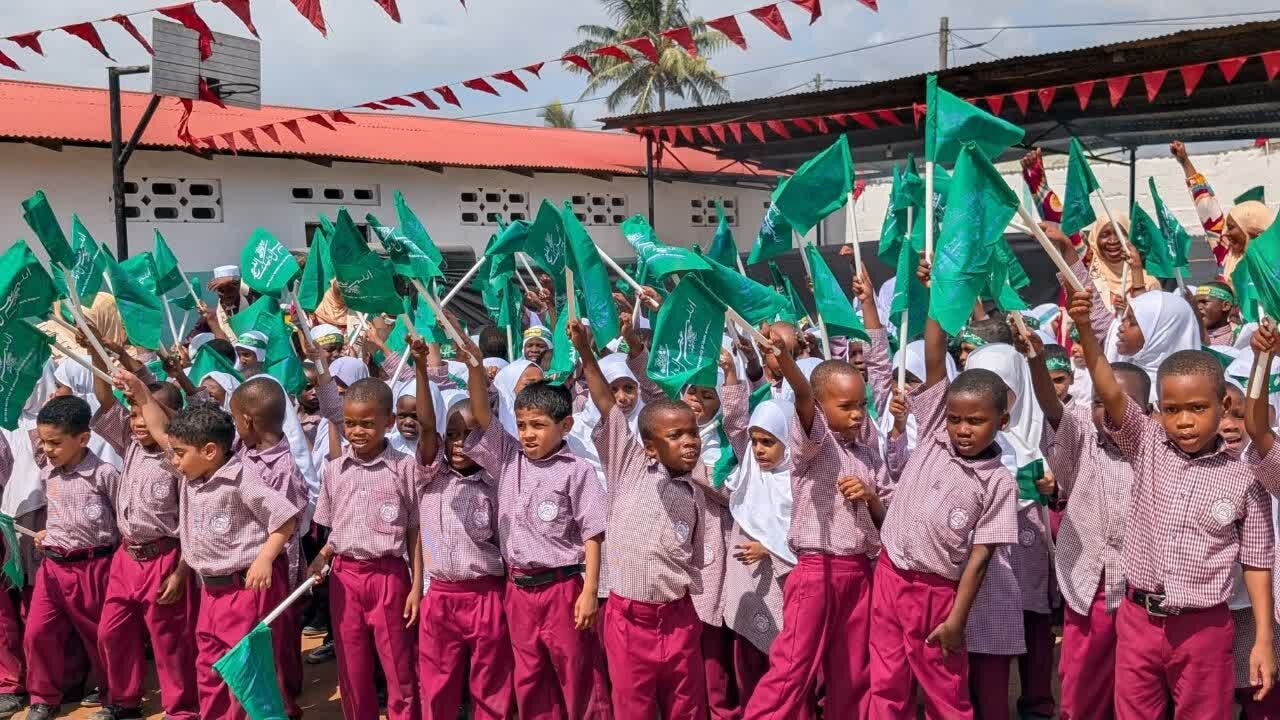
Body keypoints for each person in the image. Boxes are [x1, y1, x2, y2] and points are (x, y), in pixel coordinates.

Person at [1068, 287, 1276, 718]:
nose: (1184, 421)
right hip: (1138, 620)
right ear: (1157, 410)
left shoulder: (1245, 475)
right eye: (1172, 409)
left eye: (1197, 408)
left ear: (1223, 405)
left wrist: (1262, 639)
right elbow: (1110, 389)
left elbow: (1257, 561)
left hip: (1203, 628)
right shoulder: (1146, 443)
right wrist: (1086, 328)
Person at [868, 301, 1019, 718]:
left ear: (1002, 422)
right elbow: (935, 352)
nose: (962, 429)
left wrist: (956, 619)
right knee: (885, 682)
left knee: (945, 691)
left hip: (936, 593)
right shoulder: (935, 429)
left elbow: (981, 558)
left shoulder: (998, 482)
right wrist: (937, 291)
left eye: (976, 421)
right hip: (890, 574)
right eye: (956, 419)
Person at [126, 374, 301, 720]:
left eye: (179, 454)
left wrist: (265, 559)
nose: (173, 460)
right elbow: (161, 431)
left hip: (245, 591)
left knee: (246, 675)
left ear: (209, 451)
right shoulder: (191, 472)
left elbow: (285, 519)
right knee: (209, 667)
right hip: (210, 592)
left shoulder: (242, 479)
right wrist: (141, 392)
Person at [743, 310, 890, 719]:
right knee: (793, 668)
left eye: (862, 405)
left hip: (859, 571)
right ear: (822, 409)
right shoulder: (814, 445)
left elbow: (886, 518)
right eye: (846, 406)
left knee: (853, 672)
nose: (857, 413)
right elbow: (804, 396)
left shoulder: (868, 454)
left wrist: (871, 497)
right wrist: (785, 359)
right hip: (816, 571)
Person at [460, 331, 607, 720]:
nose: (528, 434)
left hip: (562, 588)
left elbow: (593, 534)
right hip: (519, 590)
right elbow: (482, 414)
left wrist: (589, 590)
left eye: (538, 425)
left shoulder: (576, 470)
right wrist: (474, 364)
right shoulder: (509, 458)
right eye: (523, 424)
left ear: (565, 425)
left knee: (577, 676)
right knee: (529, 677)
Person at [569, 318, 709, 719]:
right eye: (675, 436)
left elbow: (695, 559)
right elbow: (606, 404)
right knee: (634, 708)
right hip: (629, 621)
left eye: (692, 434)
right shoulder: (629, 466)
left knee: (687, 708)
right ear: (649, 447)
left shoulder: (695, 493)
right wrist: (585, 352)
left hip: (678, 618)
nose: (689, 443)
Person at [1033, 334, 1149, 720]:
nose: (1109, 412)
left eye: (1121, 403)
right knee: (1081, 685)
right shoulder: (1083, 438)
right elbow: (1052, 409)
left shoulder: (1156, 449)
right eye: (1100, 402)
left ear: (1147, 412)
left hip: (1137, 592)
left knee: (1135, 688)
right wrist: (1035, 360)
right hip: (1088, 585)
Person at [87, 350, 196, 720]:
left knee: (168, 639)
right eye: (133, 413)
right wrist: (95, 353)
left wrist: (180, 571)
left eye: (145, 414)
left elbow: (190, 520)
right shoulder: (130, 442)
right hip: (127, 557)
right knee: (111, 631)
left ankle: (180, 708)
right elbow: (105, 398)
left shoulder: (179, 459)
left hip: (164, 557)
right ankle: (124, 700)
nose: (137, 422)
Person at [308, 375, 422, 720]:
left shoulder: (405, 468)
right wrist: (322, 557)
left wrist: (417, 585)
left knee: (398, 664)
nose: (357, 431)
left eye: (368, 424)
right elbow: (335, 529)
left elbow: (415, 531)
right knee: (351, 666)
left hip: (389, 576)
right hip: (345, 578)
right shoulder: (334, 470)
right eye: (351, 423)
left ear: (389, 422)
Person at [412, 340, 513, 720]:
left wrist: (474, 368)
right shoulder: (430, 476)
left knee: (490, 686)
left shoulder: (497, 481)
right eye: (452, 434)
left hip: (487, 595)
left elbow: (485, 422)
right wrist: (420, 368)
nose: (459, 443)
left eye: (469, 434)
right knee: (436, 686)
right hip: (441, 597)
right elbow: (426, 426)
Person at [3, 396, 119, 720]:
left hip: (94, 566)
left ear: (82, 439)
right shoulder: (48, 472)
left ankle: (114, 696)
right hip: (53, 566)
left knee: (100, 636)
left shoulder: (105, 474)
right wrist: (49, 533)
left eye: (55, 443)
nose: (47, 449)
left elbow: (122, 521)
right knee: (38, 632)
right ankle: (43, 698)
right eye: (44, 442)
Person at [964, 342, 1056, 720]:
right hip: (986, 557)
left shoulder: (1039, 433)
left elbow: (1061, 482)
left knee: (1035, 629)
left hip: (1029, 550)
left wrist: (1052, 487)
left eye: (1003, 388)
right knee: (986, 637)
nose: (993, 398)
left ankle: (1037, 706)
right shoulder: (966, 435)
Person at [1170, 140, 1278, 283]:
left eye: (1231, 227)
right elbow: (1206, 207)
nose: (1226, 233)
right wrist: (1184, 161)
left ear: (1251, 228)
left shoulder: (1274, 260)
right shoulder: (1226, 252)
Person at [1195, 282, 1240, 347]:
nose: (1198, 307)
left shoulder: (1237, 339)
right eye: (1195, 303)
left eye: (1204, 302)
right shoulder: (1192, 337)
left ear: (1225, 306)